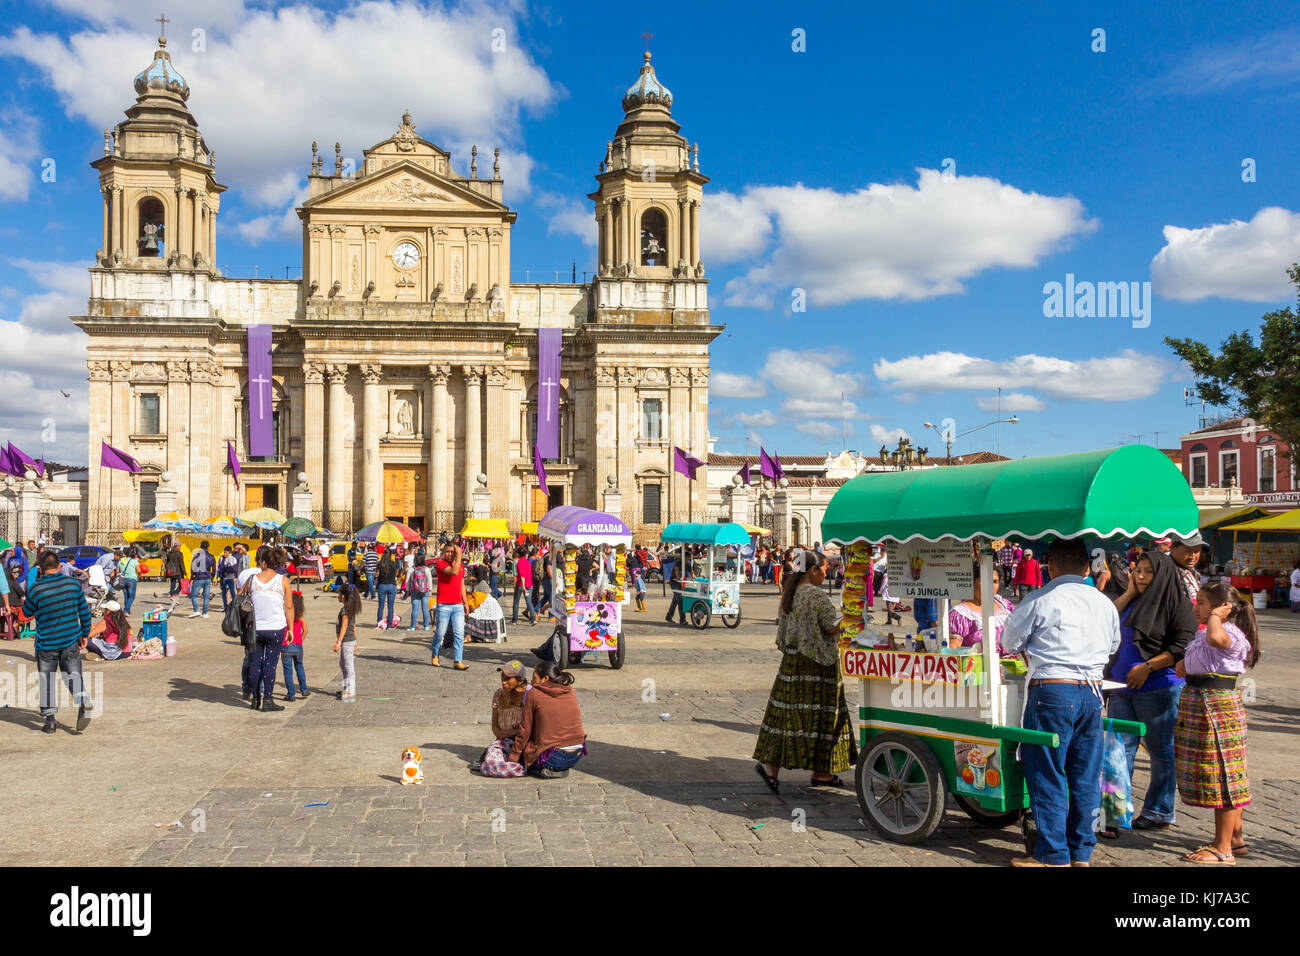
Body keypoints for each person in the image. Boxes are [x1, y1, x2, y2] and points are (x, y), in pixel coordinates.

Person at [1001, 538, 1121, 867]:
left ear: (1049, 565)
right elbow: (1113, 646)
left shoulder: (1041, 598)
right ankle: (1081, 852)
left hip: (1052, 692)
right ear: (1087, 567)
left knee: (1048, 772)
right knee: (1085, 774)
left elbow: (1008, 641)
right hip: (1093, 694)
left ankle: (1053, 855)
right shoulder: (1104, 603)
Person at [1105, 550, 1195, 834]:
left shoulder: (1177, 604)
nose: (1141, 577)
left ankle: (1159, 811)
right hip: (1120, 687)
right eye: (1138, 571)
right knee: (1117, 751)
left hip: (1158, 688)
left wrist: (1148, 666)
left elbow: (1183, 644)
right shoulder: (1131, 600)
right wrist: (1130, 592)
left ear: (1163, 574)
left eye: (1148, 572)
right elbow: (1106, 618)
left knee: (1160, 751)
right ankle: (1112, 813)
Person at [753, 548, 857, 792]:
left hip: (792, 663)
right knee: (824, 717)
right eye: (823, 569)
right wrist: (851, 617)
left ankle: (771, 770)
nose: (825, 573)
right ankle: (821, 772)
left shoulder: (790, 594)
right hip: (818, 664)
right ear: (812, 570)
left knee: (785, 715)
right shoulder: (815, 595)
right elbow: (831, 628)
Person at [1174, 582, 1261, 864]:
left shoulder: (1230, 633)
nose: (1195, 607)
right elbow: (1207, 652)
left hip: (1217, 707)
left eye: (1201, 603)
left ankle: (1222, 848)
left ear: (1221, 608)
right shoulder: (1209, 633)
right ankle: (1234, 838)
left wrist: (1216, 616)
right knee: (1222, 769)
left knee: (1224, 772)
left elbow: (1216, 640)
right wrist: (1187, 665)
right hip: (1202, 701)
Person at [23, 550, 94, 734]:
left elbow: (26, 611)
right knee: (72, 675)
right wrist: (85, 633)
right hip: (70, 639)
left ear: (40, 568)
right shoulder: (72, 584)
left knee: (47, 681)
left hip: (46, 644)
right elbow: (84, 612)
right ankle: (83, 699)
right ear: (59, 566)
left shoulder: (36, 589)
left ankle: (51, 721)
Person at [511, 661, 587, 778]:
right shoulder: (569, 690)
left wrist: (514, 756)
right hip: (576, 755)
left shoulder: (534, 693)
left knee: (525, 762)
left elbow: (525, 729)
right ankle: (557, 769)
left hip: (554, 757)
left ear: (545, 678)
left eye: (534, 678)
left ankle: (545, 770)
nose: (531, 682)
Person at [243, 545, 295, 711]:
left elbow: (239, 598)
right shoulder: (283, 580)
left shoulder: (252, 579)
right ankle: (268, 700)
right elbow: (289, 607)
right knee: (270, 665)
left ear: (263, 562)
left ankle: (255, 698)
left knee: (255, 663)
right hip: (276, 628)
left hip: (255, 628)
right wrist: (291, 629)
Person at [471, 660, 530, 776]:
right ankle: (518, 767)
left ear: (521, 680)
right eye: (502, 677)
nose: (503, 681)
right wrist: (503, 734)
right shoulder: (499, 695)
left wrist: (513, 733)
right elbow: (495, 726)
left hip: (525, 743)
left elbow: (531, 728)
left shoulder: (530, 696)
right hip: (506, 741)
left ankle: (521, 767)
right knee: (491, 761)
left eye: (508, 678)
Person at [948, 564, 1015, 652]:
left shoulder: (1005, 605)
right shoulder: (961, 614)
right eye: (985, 581)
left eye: (995, 582)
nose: (991, 586)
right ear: (972, 582)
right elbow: (954, 650)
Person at [431, 542, 469, 670]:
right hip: (444, 605)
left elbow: (462, 584)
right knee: (440, 633)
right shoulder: (440, 564)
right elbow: (453, 572)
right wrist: (459, 555)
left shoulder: (461, 566)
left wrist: (466, 602)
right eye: (447, 551)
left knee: (459, 634)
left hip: (457, 605)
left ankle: (458, 660)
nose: (450, 554)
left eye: (452, 551)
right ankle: (435, 654)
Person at [281, 590, 310, 701]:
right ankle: (304, 689)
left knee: (288, 671)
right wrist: (299, 641)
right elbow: (306, 630)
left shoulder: (285, 616)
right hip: (298, 646)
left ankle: (291, 694)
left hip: (286, 645)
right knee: (300, 667)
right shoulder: (300, 617)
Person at [333, 585, 360, 701]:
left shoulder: (345, 611)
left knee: (348, 666)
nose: (338, 596)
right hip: (350, 640)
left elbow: (344, 626)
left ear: (343, 596)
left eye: (339, 594)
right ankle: (346, 688)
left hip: (346, 641)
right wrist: (356, 641)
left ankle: (351, 691)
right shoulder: (350, 608)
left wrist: (338, 642)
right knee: (343, 664)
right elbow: (353, 625)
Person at [1169, 532, 1205, 603]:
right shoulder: (1167, 571)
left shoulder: (1191, 571)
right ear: (1173, 548)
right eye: (1188, 551)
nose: (1192, 557)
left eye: (1197, 551)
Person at [188, 540, 216, 619]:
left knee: (193, 595)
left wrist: (192, 577)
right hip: (208, 578)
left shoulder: (197, 556)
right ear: (208, 547)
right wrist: (212, 578)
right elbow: (213, 569)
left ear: (200, 547)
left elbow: (193, 567)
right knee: (206, 596)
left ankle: (196, 610)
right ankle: (205, 613)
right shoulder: (211, 556)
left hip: (199, 577)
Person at [374, 545, 399, 628]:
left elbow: (376, 574)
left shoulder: (380, 564)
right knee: (390, 606)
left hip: (382, 585)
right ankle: (389, 625)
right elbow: (396, 573)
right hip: (392, 585)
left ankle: (379, 623)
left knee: (381, 605)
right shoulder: (393, 564)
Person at [512, 546, 537, 626]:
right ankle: (533, 618)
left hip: (521, 584)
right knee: (529, 602)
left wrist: (523, 585)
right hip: (529, 584)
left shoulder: (519, 562)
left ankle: (514, 619)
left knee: (516, 601)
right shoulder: (527, 562)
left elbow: (522, 575)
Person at [406, 556, 431, 631]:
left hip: (414, 591)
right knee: (425, 609)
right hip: (425, 591)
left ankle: (413, 627)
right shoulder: (426, 569)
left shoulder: (411, 569)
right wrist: (430, 590)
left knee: (415, 610)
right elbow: (429, 581)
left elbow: (407, 581)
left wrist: (408, 591)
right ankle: (426, 626)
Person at [116, 548, 140, 615]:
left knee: (126, 596)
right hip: (131, 580)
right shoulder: (135, 561)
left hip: (123, 580)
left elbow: (117, 571)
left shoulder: (121, 561)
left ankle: (127, 612)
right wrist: (140, 574)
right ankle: (126, 610)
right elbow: (138, 570)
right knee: (132, 596)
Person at [664, 553, 686, 625]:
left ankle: (669, 616)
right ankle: (682, 620)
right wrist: (679, 577)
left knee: (675, 600)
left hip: (680, 583)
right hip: (674, 582)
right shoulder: (678, 563)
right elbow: (677, 574)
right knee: (680, 600)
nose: (688, 560)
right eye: (687, 559)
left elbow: (692, 573)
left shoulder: (687, 564)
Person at [217, 546, 239, 611]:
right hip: (223, 578)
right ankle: (225, 605)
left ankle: (234, 605)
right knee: (223, 592)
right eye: (224, 552)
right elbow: (218, 568)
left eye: (226, 553)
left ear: (229, 553)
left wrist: (227, 572)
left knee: (232, 591)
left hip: (230, 578)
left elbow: (233, 568)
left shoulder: (232, 559)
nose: (225, 554)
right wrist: (217, 578)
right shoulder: (221, 558)